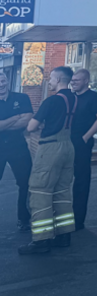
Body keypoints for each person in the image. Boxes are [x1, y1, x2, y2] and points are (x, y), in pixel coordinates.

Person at [19, 67, 77, 254]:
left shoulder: (51, 100)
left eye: (51, 78)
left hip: (50, 147)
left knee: (40, 191)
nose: (49, 81)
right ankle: (64, 235)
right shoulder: (74, 99)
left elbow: (31, 126)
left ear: (59, 78)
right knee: (62, 192)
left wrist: (37, 125)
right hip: (68, 146)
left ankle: (42, 240)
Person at [59, 68, 97, 231]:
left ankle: (78, 220)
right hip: (65, 141)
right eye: (72, 80)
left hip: (82, 143)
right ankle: (62, 216)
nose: (73, 83)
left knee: (81, 181)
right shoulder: (71, 97)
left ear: (86, 81)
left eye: (77, 80)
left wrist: (86, 137)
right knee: (62, 179)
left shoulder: (94, 98)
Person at [0, 69, 33, 232]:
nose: (1, 84)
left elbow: (27, 120)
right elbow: (20, 119)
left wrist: (3, 124)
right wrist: (15, 118)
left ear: (7, 81)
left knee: (26, 182)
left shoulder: (22, 97)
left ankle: (24, 219)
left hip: (18, 146)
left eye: (3, 80)